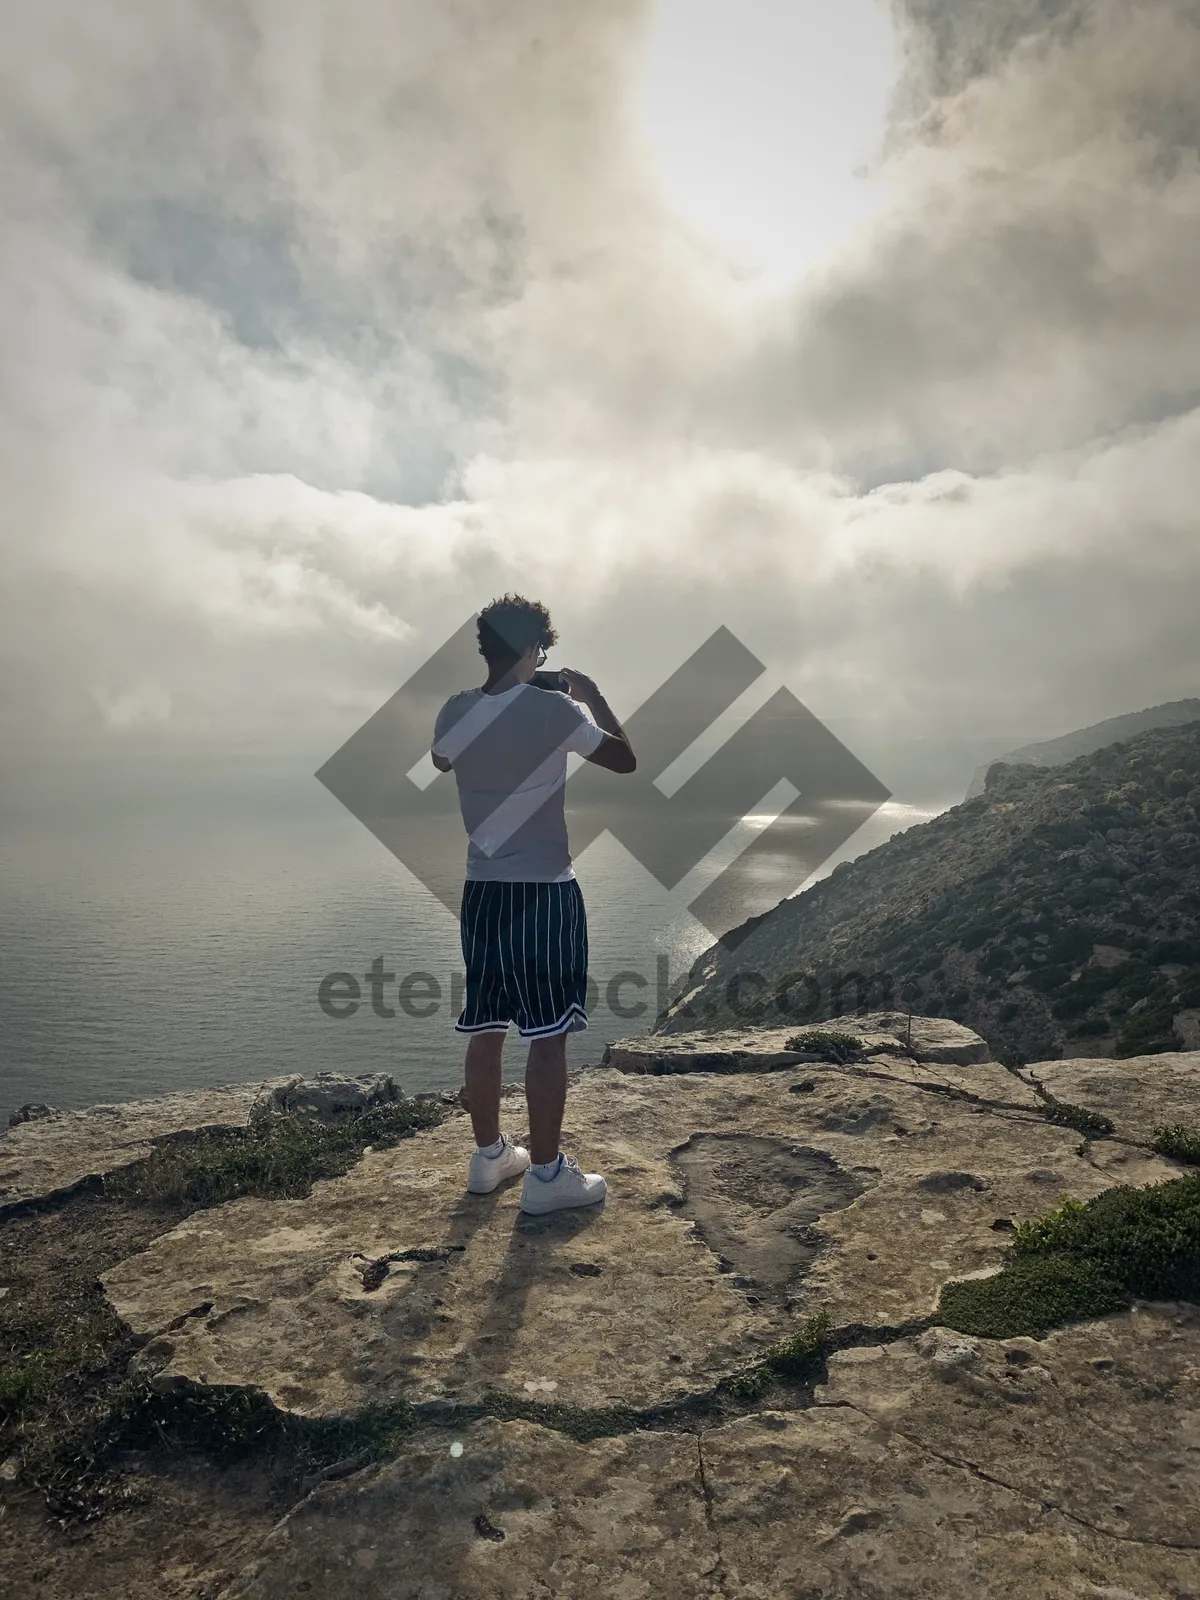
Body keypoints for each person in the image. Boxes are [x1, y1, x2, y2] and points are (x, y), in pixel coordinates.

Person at [430, 594, 637, 1213]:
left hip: (482, 892)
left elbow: (444, 759)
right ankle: (547, 1178)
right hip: (544, 892)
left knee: (487, 1026)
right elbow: (624, 761)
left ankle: (490, 1157)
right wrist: (589, 694)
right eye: (540, 650)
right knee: (548, 1036)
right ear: (531, 650)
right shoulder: (554, 709)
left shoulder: (454, 712)